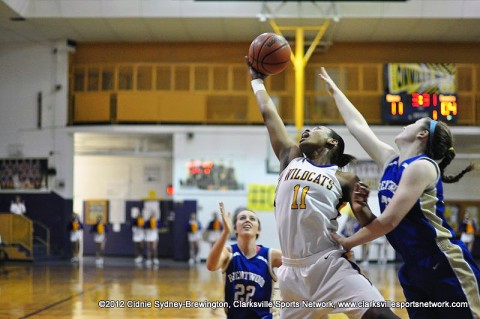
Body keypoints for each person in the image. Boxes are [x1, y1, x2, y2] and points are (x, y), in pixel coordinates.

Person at [320, 67, 480, 319]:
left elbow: (391, 220)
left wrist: (347, 242)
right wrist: (335, 91)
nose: (407, 123)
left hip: (444, 265)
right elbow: (358, 126)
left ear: (421, 134)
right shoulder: (391, 161)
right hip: (414, 268)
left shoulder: (423, 166)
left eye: (413, 123)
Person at [247, 61, 399, 319]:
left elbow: (371, 227)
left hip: (329, 266)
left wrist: (362, 209)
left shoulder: (345, 178)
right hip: (291, 274)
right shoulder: (290, 158)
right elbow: (269, 115)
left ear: (331, 141)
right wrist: (257, 80)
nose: (306, 130)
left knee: (381, 316)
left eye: (315, 128)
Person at [206, 202, 282, 319]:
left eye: (252, 218)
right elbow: (211, 265)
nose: (247, 220)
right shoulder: (229, 253)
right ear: (235, 229)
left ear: (258, 230)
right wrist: (225, 232)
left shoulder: (270, 255)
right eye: (242, 218)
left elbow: (298, 262)